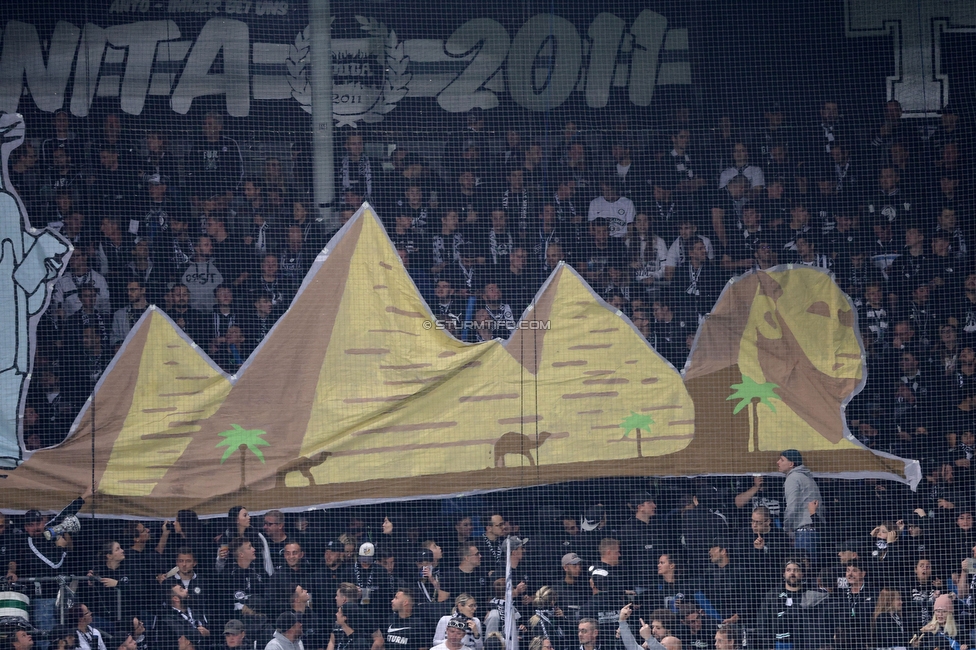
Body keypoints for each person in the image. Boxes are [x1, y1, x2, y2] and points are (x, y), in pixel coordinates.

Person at [777, 450, 822, 556]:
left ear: (791, 464)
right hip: (814, 528)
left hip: (804, 531)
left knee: (803, 565)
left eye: (782, 460)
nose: (778, 462)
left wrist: (786, 529)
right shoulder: (806, 477)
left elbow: (792, 506)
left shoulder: (793, 478)